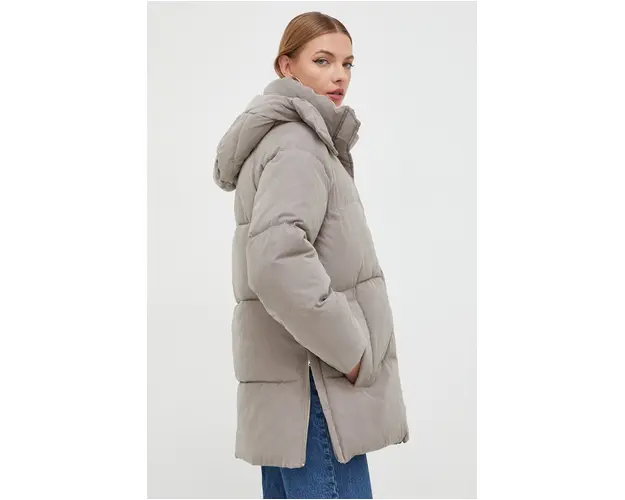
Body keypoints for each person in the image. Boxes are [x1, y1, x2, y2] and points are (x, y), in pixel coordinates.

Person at [213, 11, 409, 499]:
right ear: (287, 66)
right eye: (322, 61)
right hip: (317, 391)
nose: (339, 75)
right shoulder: (299, 143)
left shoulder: (287, 141)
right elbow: (276, 261)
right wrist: (352, 353)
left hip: (295, 394)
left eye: (347, 63)